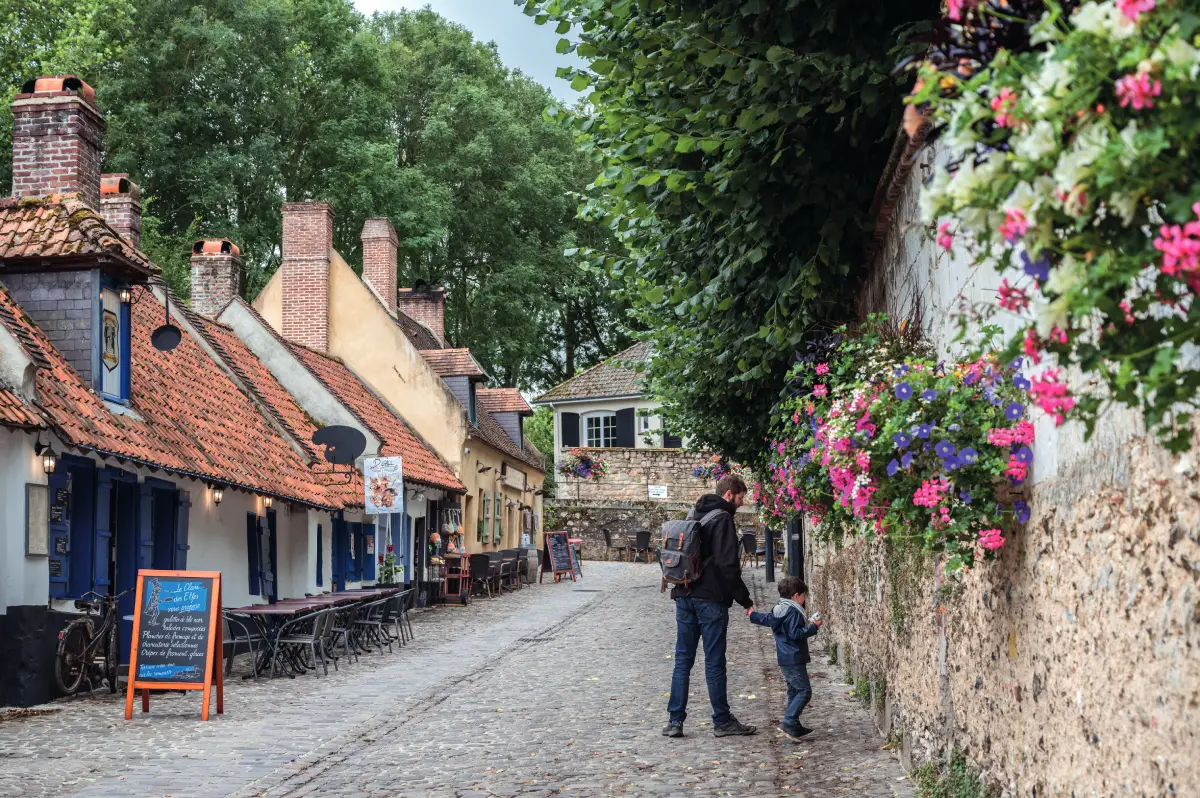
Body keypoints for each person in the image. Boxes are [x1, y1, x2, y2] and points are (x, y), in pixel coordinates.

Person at [663, 475, 757, 739]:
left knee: (683, 660)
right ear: (729, 494)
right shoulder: (723, 519)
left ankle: (675, 722)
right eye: (740, 498)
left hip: (683, 593)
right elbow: (729, 567)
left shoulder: (694, 512)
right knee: (714, 662)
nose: (741, 503)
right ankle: (722, 720)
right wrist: (745, 601)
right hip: (711, 600)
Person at [748, 575, 822, 741]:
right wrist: (813, 628)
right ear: (796, 596)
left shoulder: (778, 609)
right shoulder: (794, 612)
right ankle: (789, 721)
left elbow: (766, 619)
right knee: (804, 691)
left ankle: (793, 726)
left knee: (793, 690)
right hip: (794, 657)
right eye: (804, 596)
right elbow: (795, 634)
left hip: (783, 658)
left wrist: (752, 615)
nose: (804, 600)